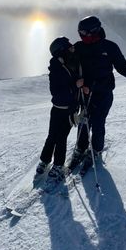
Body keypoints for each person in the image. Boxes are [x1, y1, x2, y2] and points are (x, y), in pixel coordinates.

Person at [69, 15, 126, 172]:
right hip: (85, 93)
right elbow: (71, 69)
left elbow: (123, 68)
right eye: (81, 33)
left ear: (95, 31)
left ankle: (96, 150)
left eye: (86, 33)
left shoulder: (109, 47)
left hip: (103, 93)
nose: (84, 36)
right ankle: (80, 148)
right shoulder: (79, 47)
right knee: (83, 122)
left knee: (98, 122)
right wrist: (78, 84)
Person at [35, 36, 83, 183]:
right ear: (61, 51)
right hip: (61, 109)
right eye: (68, 46)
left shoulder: (69, 62)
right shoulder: (57, 68)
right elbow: (58, 92)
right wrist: (76, 85)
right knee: (55, 136)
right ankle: (51, 163)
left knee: (57, 137)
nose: (72, 47)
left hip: (66, 108)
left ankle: (51, 163)